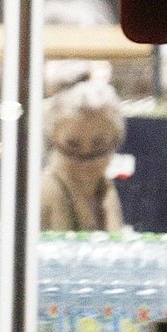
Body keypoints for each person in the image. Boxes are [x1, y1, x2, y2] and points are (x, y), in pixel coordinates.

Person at [40, 75, 125, 233]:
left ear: (115, 140)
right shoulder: (46, 193)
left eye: (98, 144)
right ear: (54, 140)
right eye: (73, 145)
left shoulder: (104, 189)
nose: (86, 159)